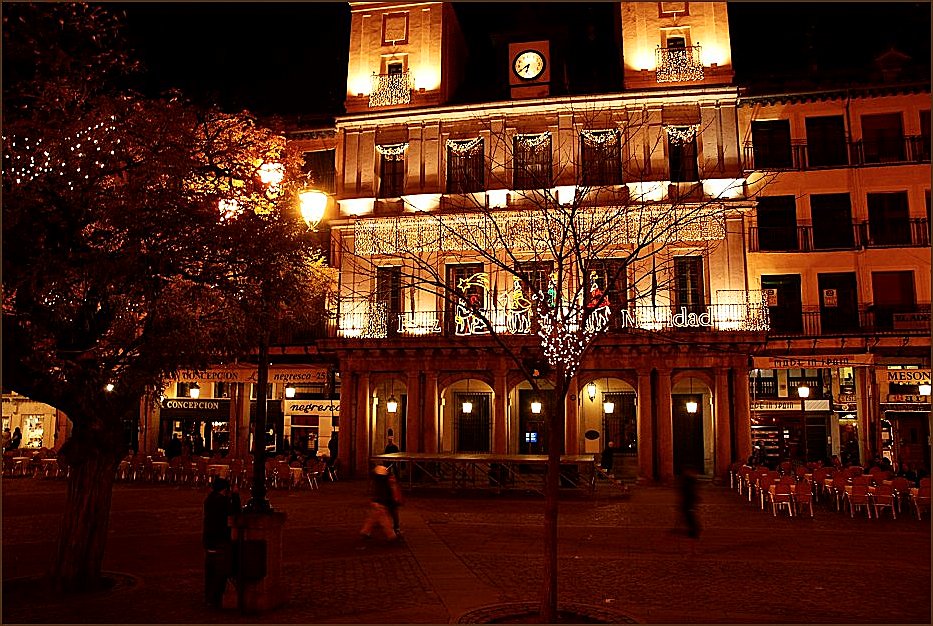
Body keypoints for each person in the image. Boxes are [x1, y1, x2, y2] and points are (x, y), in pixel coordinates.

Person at [203, 477, 240, 608]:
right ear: (225, 489)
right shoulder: (223, 502)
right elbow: (236, 513)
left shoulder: (209, 500)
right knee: (221, 571)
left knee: (210, 571)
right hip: (221, 539)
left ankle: (209, 597)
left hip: (209, 539)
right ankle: (215, 599)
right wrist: (235, 495)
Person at [360, 465, 400, 541]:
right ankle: (391, 535)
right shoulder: (384, 483)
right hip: (381, 502)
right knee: (384, 520)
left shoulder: (377, 482)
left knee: (373, 517)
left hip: (377, 502)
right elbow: (387, 493)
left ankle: (365, 531)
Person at [678, 467, 700, 539]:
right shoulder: (690, 481)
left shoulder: (689, 481)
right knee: (689, 515)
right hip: (689, 500)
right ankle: (694, 528)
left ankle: (694, 529)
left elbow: (689, 491)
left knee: (689, 515)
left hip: (689, 501)